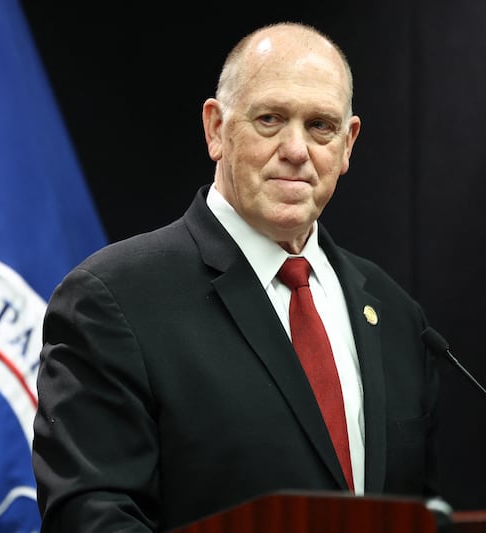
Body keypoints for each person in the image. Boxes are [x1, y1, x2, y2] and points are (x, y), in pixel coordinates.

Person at [32, 21, 440, 532]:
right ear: (215, 129)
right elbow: (92, 518)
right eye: (270, 119)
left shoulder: (396, 313)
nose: (297, 149)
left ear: (348, 143)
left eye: (320, 126)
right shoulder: (113, 300)